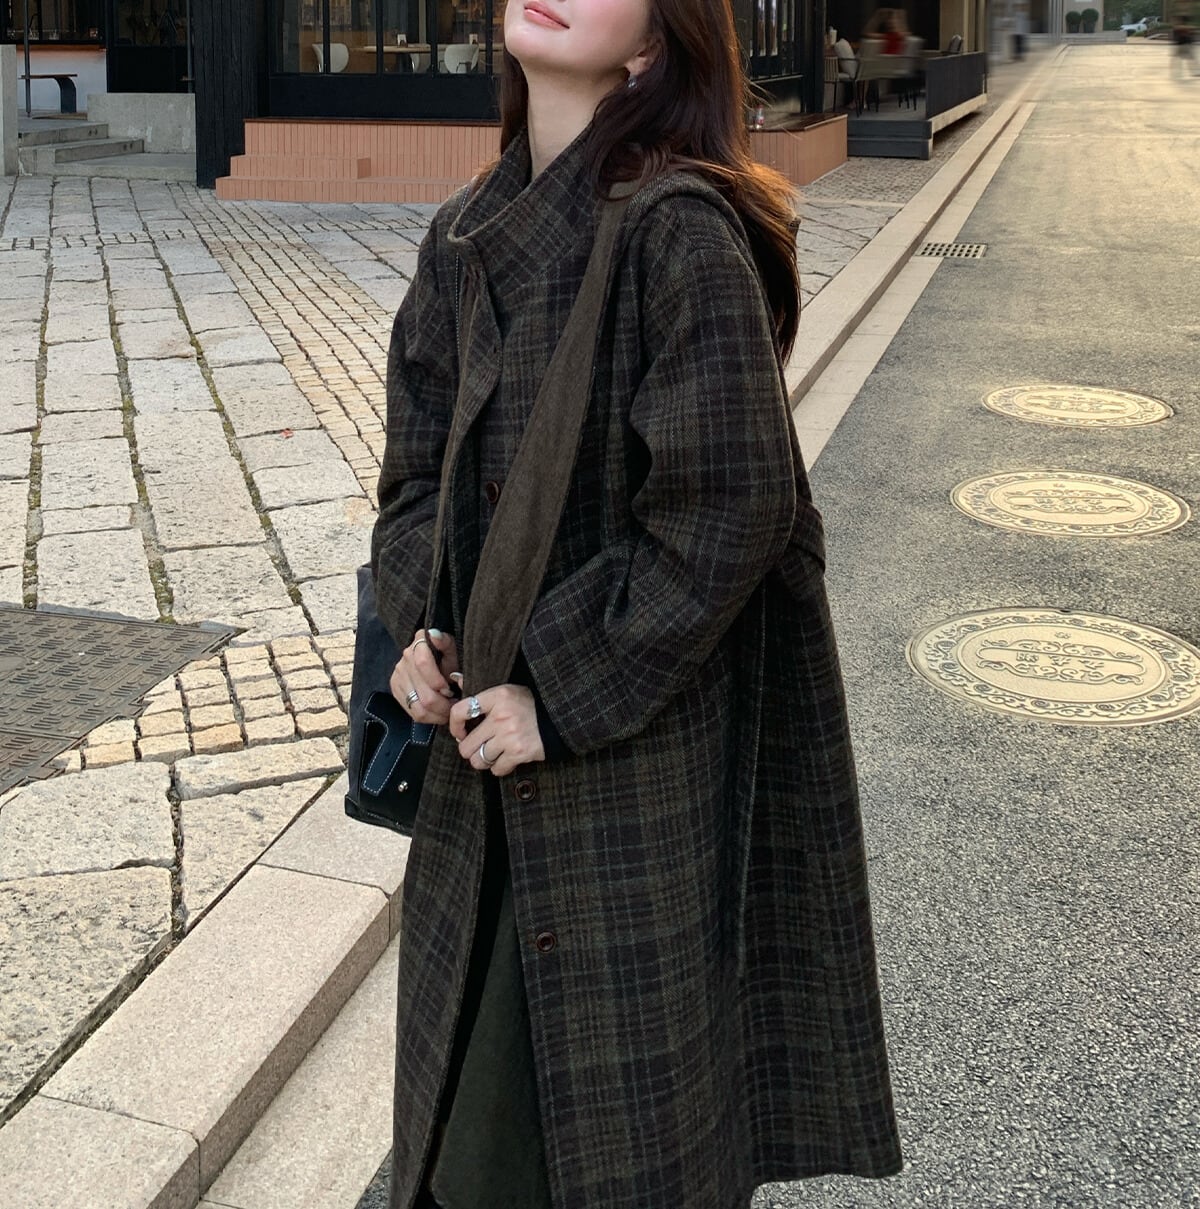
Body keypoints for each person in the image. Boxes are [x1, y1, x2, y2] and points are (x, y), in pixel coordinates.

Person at [371, 0, 903, 1206]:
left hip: (623, 773)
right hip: (478, 772)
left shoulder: (680, 232)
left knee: (592, 1141)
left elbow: (732, 508)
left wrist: (557, 691)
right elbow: (411, 478)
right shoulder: (463, 231)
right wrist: (420, 628)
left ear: (655, 44)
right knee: (471, 1140)